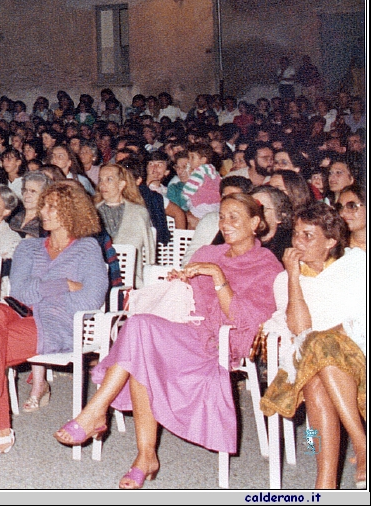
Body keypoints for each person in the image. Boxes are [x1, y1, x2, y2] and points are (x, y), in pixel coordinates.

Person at [58, 193, 282, 488]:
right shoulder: (207, 252)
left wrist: (217, 278)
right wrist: (182, 281)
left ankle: (118, 432)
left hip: (220, 344)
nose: (225, 224)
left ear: (255, 223)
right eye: (222, 217)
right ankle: (134, 444)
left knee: (141, 350)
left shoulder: (266, 265)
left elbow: (247, 322)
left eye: (234, 217)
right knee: (139, 328)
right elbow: (193, 299)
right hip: (188, 330)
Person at [0, 181, 108, 462]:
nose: (44, 212)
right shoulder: (29, 248)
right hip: (16, 311)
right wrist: (64, 284)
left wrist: (46, 287)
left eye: (53, 207)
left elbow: (91, 299)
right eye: (44, 206)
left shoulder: (87, 249)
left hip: (55, 324)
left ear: (72, 211)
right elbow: (20, 293)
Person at [260, 202, 366, 489]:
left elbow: (360, 325)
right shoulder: (285, 279)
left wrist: (330, 336)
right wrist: (294, 276)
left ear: (330, 242)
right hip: (312, 367)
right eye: (296, 234)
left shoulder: (355, 266)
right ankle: (337, 471)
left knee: (320, 346)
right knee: (315, 368)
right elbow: (300, 329)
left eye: (309, 236)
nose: (298, 242)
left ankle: (341, 463)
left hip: (358, 361)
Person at [93, 163, 156, 268]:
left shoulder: (138, 213)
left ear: (121, 184)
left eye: (109, 179)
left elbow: (150, 254)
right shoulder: (92, 212)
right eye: (101, 180)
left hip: (131, 273)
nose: (103, 185)